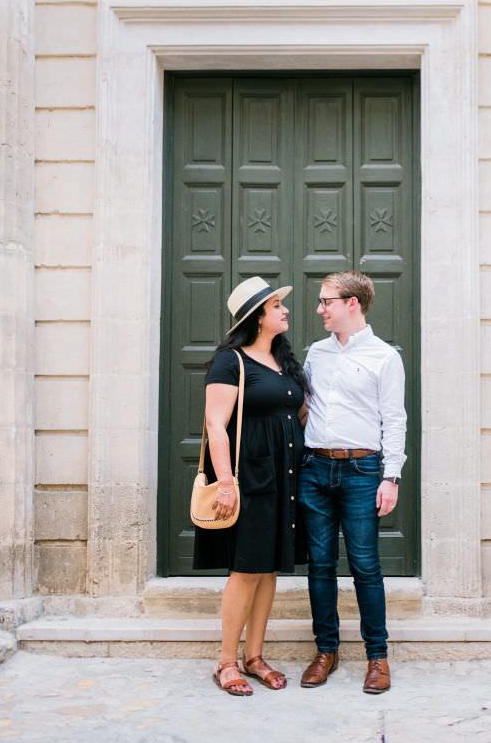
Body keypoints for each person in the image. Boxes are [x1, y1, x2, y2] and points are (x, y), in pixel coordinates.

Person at [193, 276, 309, 697]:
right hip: (250, 477)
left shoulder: (284, 361)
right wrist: (226, 482)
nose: (284, 310)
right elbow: (215, 425)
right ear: (256, 316)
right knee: (245, 570)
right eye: (276, 305)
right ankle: (226, 661)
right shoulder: (231, 361)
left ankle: (255, 656)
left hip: (286, 475)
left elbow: (294, 416)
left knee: (268, 569)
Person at [298, 270, 407, 694]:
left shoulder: (384, 357)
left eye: (326, 301)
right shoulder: (316, 354)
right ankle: (326, 651)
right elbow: (304, 407)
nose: (319, 309)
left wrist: (391, 477)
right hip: (314, 470)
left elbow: (394, 419)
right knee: (321, 566)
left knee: (365, 566)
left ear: (352, 304)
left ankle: (377, 657)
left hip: (363, 472)